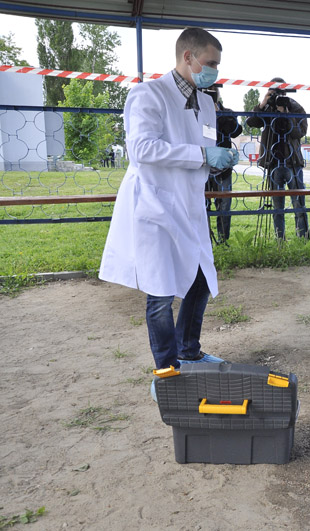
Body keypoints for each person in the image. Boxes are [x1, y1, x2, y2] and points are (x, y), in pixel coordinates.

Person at [99, 28, 236, 369]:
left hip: (190, 204)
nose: (215, 70)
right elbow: (142, 149)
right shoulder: (148, 95)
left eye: (217, 65)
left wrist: (217, 162)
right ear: (188, 57)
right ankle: (167, 368)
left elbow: (201, 149)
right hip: (155, 204)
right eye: (210, 63)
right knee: (160, 292)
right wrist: (202, 155)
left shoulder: (207, 103)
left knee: (201, 279)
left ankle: (188, 350)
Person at [246, 77, 309, 240]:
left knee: (299, 204)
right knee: (277, 206)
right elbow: (251, 122)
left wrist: (286, 114)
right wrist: (262, 104)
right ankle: (280, 239)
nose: (277, 97)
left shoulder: (295, 107)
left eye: (280, 93)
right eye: (273, 93)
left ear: (286, 92)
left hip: (293, 162)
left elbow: (299, 132)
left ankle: (303, 239)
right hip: (273, 162)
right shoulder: (267, 106)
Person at [203, 83, 242, 244]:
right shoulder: (196, 112)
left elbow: (236, 131)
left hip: (223, 168)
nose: (211, 92)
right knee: (202, 204)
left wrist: (218, 113)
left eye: (214, 90)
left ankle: (223, 240)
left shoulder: (227, 112)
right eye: (207, 90)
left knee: (224, 205)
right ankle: (205, 240)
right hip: (203, 166)